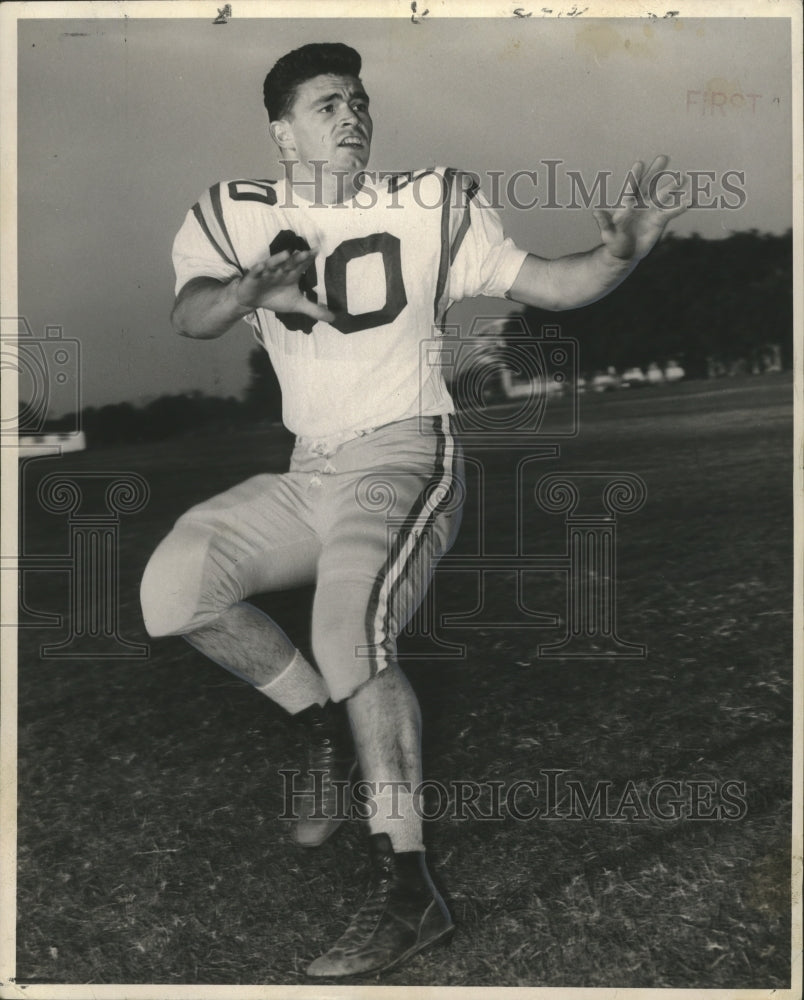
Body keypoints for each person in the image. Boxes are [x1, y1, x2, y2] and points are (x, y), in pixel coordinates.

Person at [140, 42, 687, 978]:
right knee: (174, 587)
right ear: (281, 131)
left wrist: (617, 254)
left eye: (358, 99)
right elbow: (191, 311)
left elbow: (553, 284)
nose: (350, 114)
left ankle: (410, 888)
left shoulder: (431, 202)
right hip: (309, 469)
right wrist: (247, 291)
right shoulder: (231, 210)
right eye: (325, 104)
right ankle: (319, 724)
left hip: (403, 450)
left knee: (352, 626)